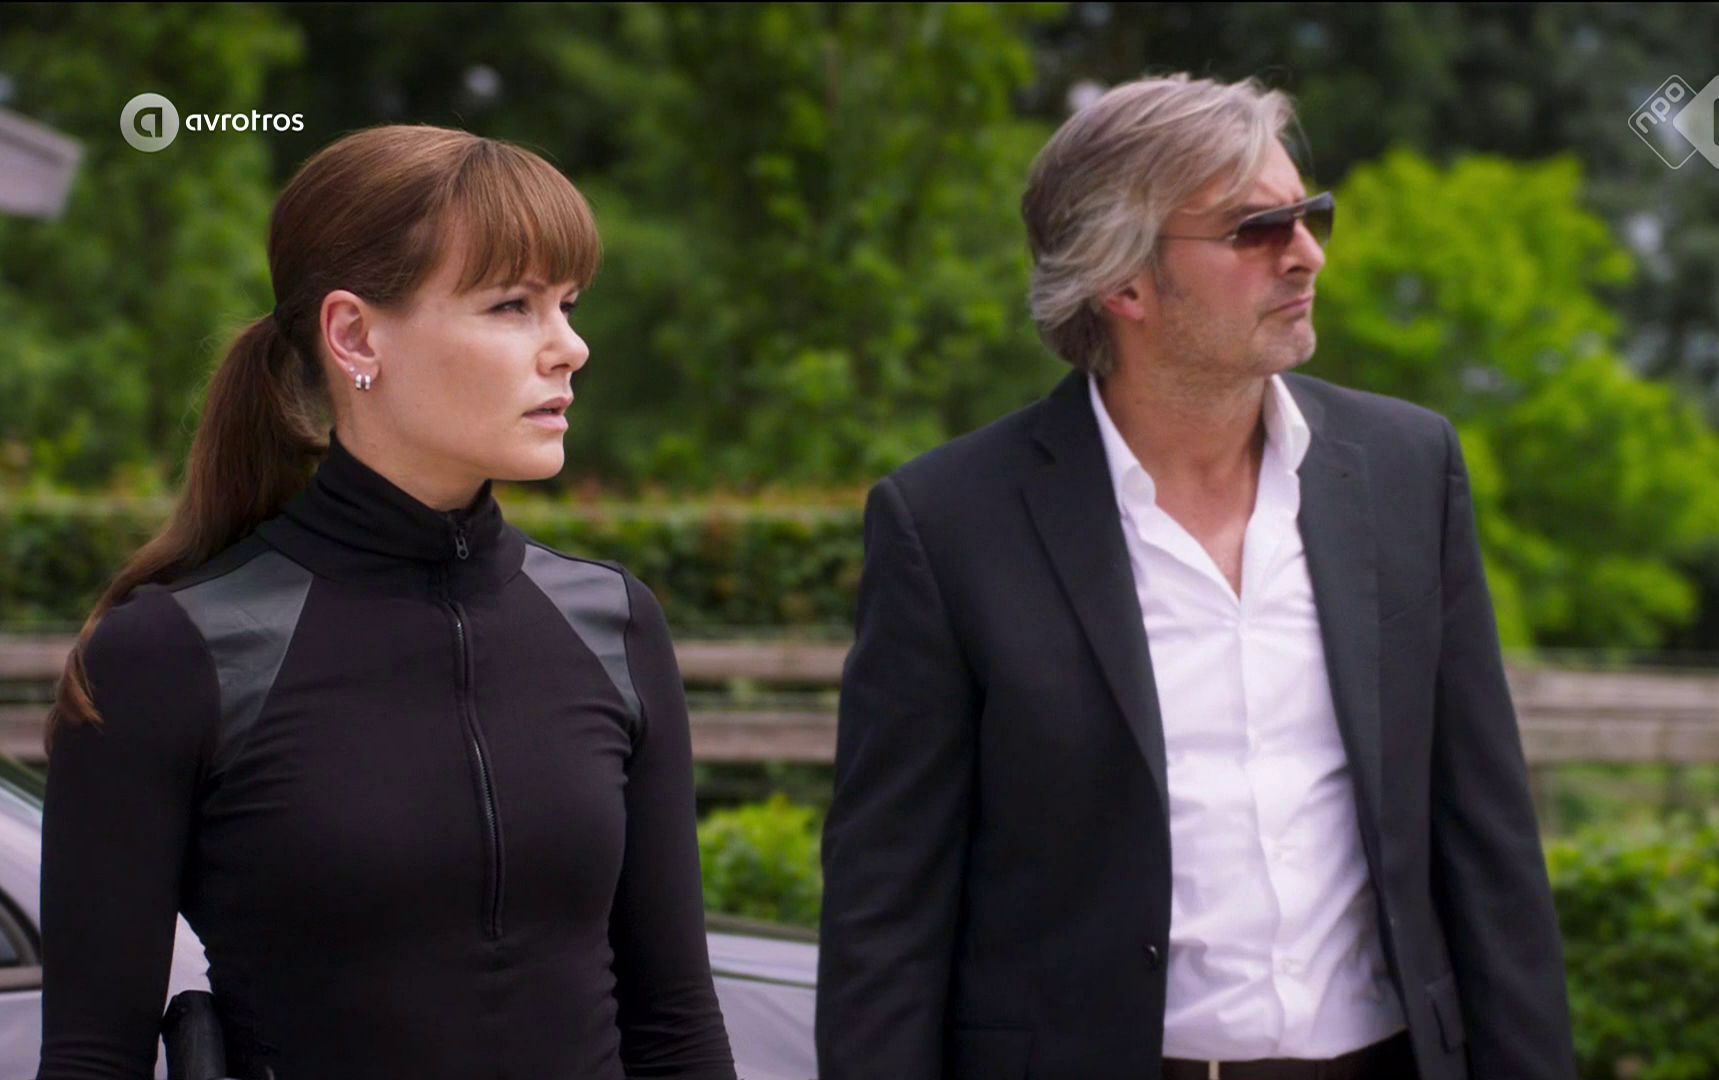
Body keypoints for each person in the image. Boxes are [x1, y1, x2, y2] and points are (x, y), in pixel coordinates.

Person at [816, 75, 1576, 1080]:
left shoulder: (1407, 469)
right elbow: (886, 911)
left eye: (1309, 214)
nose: (1306, 254)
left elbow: (1489, 847)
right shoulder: (948, 523)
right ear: (1122, 285)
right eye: (1256, 229)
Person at [38, 125, 737, 1080]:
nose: (570, 347)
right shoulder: (171, 653)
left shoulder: (613, 622)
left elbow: (677, 1027)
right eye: (512, 305)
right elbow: (90, 1060)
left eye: (568, 305)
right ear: (355, 335)